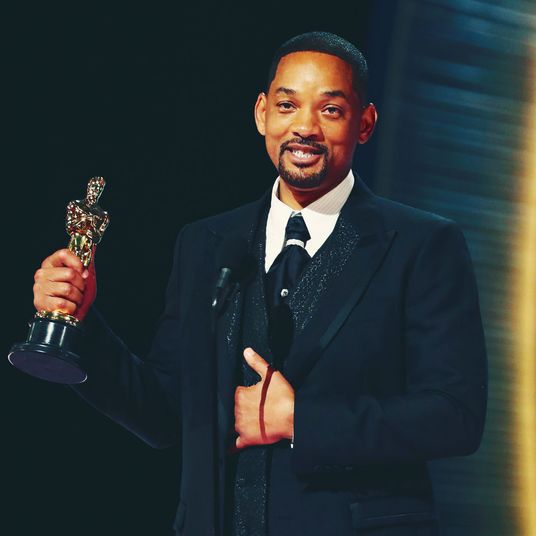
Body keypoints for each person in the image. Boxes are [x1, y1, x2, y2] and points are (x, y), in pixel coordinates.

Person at [32, 32, 487, 536]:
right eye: (287, 105)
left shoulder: (422, 244)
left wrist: (301, 420)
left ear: (364, 123)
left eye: (330, 110)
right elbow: (165, 413)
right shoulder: (206, 243)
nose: (304, 128)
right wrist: (79, 324)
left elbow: (456, 415)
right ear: (262, 113)